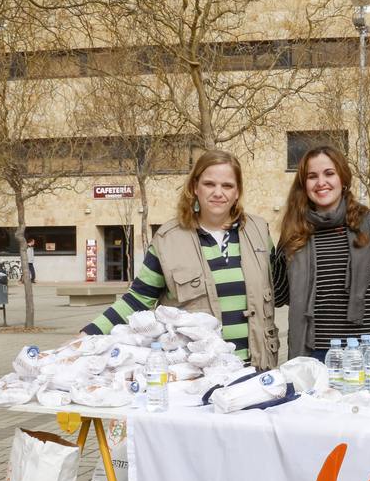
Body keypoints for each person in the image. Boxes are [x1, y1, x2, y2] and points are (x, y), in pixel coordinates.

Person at [82, 150, 278, 369]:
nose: (218, 192)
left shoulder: (259, 231)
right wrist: (86, 335)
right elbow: (137, 299)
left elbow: (280, 288)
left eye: (227, 186)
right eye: (209, 184)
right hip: (197, 375)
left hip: (256, 372)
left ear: (237, 192)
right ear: (195, 187)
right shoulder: (168, 239)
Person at [273, 145, 370, 362]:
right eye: (312, 176)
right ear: (304, 185)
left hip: (365, 347)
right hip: (314, 350)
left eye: (329, 173)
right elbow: (280, 295)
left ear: (343, 178)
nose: (321, 182)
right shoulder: (294, 232)